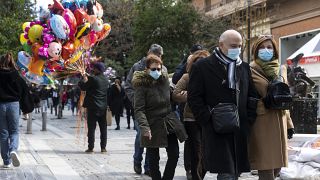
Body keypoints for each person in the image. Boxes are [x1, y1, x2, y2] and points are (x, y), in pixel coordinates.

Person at [187, 30, 259, 179]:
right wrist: (207, 119)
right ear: (221, 45)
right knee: (226, 172)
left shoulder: (243, 67)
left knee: (235, 171)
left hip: (240, 129)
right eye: (233, 45)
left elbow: (252, 94)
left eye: (240, 46)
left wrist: (249, 118)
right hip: (217, 128)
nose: (237, 49)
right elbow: (194, 97)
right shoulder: (202, 66)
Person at [248, 35, 295, 180]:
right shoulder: (249, 69)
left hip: (279, 122)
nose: (266, 50)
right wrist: (264, 103)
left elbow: (284, 99)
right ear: (255, 51)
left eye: (269, 47)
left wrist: (289, 124)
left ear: (275, 50)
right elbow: (246, 98)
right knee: (266, 168)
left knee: (277, 169)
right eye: (261, 47)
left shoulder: (281, 69)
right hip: (262, 123)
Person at [133, 54, 179, 180]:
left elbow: (171, 98)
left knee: (174, 154)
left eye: (159, 69)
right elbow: (139, 109)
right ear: (147, 69)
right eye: (153, 69)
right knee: (153, 158)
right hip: (151, 123)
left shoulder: (164, 81)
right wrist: (144, 127)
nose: (157, 72)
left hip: (168, 122)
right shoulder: (141, 85)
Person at [125, 44, 167, 175]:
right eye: (155, 54)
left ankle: (148, 166)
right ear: (149, 53)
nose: (157, 57)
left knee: (152, 137)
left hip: (156, 110)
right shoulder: (137, 67)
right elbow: (128, 86)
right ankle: (137, 160)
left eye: (159, 55)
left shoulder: (162, 68)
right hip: (141, 109)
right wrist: (137, 100)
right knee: (141, 135)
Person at [173, 50, 210, 180]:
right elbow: (176, 94)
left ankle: (201, 173)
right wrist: (193, 96)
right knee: (197, 150)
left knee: (206, 151)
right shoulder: (187, 77)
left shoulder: (211, 78)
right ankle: (195, 176)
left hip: (208, 118)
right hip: (191, 118)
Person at [0, 52, 34, 168]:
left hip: (0, 106)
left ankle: (6, 161)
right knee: (14, 131)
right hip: (13, 105)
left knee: (3, 133)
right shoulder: (17, 76)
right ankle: (13, 150)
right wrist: (26, 109)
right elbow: (25, 92)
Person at [79, 62, 109, 153]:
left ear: (98, 69)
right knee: (103, 128)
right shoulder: (105, 80)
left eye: (94, 68)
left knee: (91, 128)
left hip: (93, 107)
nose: (92, 70)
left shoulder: (93, 79)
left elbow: (83, 87)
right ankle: (103, 148)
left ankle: (90, 147)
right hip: (103, 107)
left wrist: (83, 79)